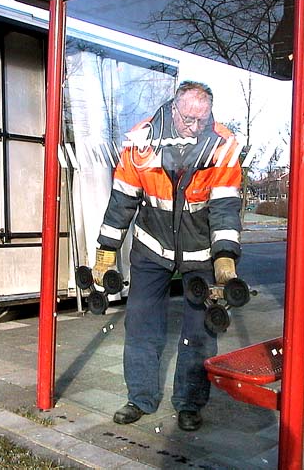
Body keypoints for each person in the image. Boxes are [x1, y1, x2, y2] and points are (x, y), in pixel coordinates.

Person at [93, 81, 242, 431]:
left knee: (201, 329)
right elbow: (122, 200)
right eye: (188, 119)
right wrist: (105, 251)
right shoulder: (141, 140)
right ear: (173, 110)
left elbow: (224, 206)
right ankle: (139, 398)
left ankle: (190, 404)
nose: (194, 126)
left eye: (201, 120)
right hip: (151, 247)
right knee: (141, 323)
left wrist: (224, 256)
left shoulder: (223, 145)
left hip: (201, 252)